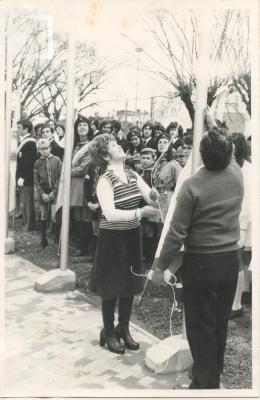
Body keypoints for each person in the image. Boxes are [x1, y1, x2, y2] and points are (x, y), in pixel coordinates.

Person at [151, 128, 244, 389]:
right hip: (229, 262)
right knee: (218, 324)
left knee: (200, 329)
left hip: (202, 266)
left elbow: (175, 234)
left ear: (201, 155)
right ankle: (210, 374)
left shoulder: (193, 186)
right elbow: (233, 155)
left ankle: (205, 386)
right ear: (228, 154)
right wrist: (214, 122)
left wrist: (160, 267)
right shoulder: (236, 175)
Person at [88, 134, 159, 354]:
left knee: (129, 284)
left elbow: (149, 197)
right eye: (114, 145)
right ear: (105, 155)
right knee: (110, 287)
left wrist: (153, 195)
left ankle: (123, 329)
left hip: (131, 237)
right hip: (112, 240)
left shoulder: (132, 173)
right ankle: (108, 331)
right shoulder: (104, 180)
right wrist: (140, 212)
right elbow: (109, 214)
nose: (120, 146)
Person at [229, 132, 252, 318]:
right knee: (234, 262)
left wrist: (242, 228)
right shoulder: (232, 167)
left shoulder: (248, 170)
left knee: (239, 261)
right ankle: (234, 300)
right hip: (231, 221)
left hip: (243, 222)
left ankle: (236, 306)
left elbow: (248, 202)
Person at [70, 116, 94, 258]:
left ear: (89, 128)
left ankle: (85, 248)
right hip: (73, 185)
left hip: (84, 184)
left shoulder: (90, 146)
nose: (82, 127)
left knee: (85, 216)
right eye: (79, 125)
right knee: (77, 216)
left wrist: (66, 172)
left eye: (85, 125)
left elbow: (84, 168)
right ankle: (79, 244)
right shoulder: (74, 145)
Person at [34, 138, 62, 247]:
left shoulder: (57, 160)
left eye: (46, 148)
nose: (44, 151)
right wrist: (42, 193)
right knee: (44, 215)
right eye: (41, 149)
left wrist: (54, 192)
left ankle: (56, 238)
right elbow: (36, 181)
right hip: (43, 192)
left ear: (50, 148)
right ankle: (43, 239)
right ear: (38, 150)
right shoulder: (37, 163)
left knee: (54, 216)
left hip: (54, 192)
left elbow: (60, 177)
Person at [152, 132, 181, 221]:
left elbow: (179, 186)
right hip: (156, 198)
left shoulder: (174, 165)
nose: (162, 145)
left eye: (165, 142)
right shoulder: (155, 164)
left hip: (168, 198)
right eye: (160, 142)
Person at [16, 119, 37, 231]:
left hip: (26, 177)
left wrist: (22, 176)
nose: (17, 129)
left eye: (19, 127)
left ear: (26, 128)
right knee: (25, 201)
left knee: (27, 202)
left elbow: (29, 162)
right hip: (22, 176)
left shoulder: (30, 142)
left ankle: (29, 225)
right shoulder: (24, 141)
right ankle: (26, 223)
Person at [140, 148, 158, 263]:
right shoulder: (140, 173)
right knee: (142, 231)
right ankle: (144, 254)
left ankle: (149, 256)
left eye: (148, 158)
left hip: (150, 205)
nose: (145, 160)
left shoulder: (153, 174)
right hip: (140, 206)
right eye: (143, 158)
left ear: (153, 160)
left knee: (149, 231)